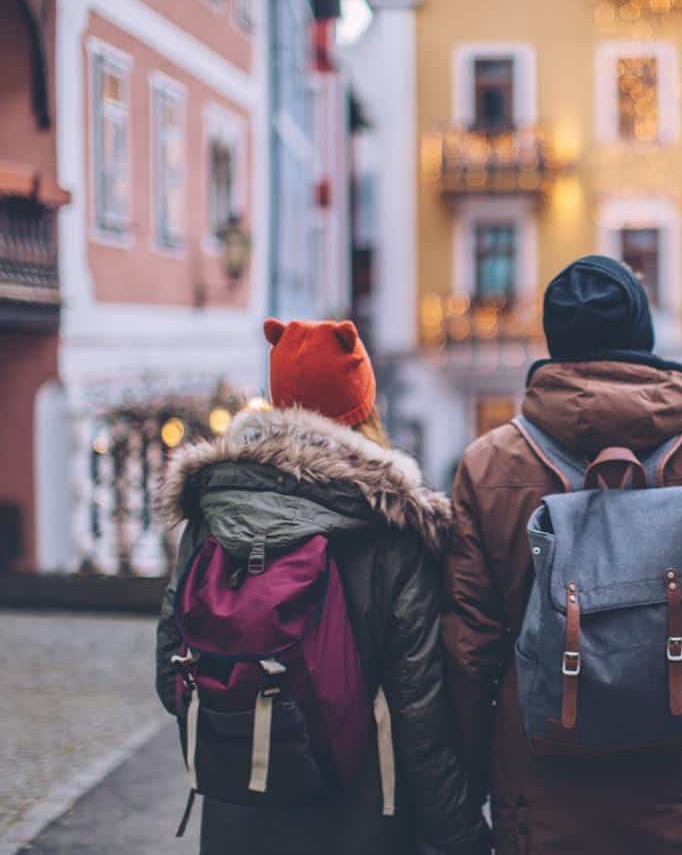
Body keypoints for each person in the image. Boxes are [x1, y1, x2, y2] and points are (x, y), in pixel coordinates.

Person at [442, 255, 682, 854]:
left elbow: (468, 656)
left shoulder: (489, 464)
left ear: (555, 344)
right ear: (642, 336)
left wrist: (469, 787)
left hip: (541, 798)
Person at [154, 319, 488, 855]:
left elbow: (170, 667)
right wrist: (458, 836)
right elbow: (420, 712)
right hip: (359, 815)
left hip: (239, 811)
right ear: (363, 404)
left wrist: (253, 734)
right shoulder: (390, 527)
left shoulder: (212, 511)